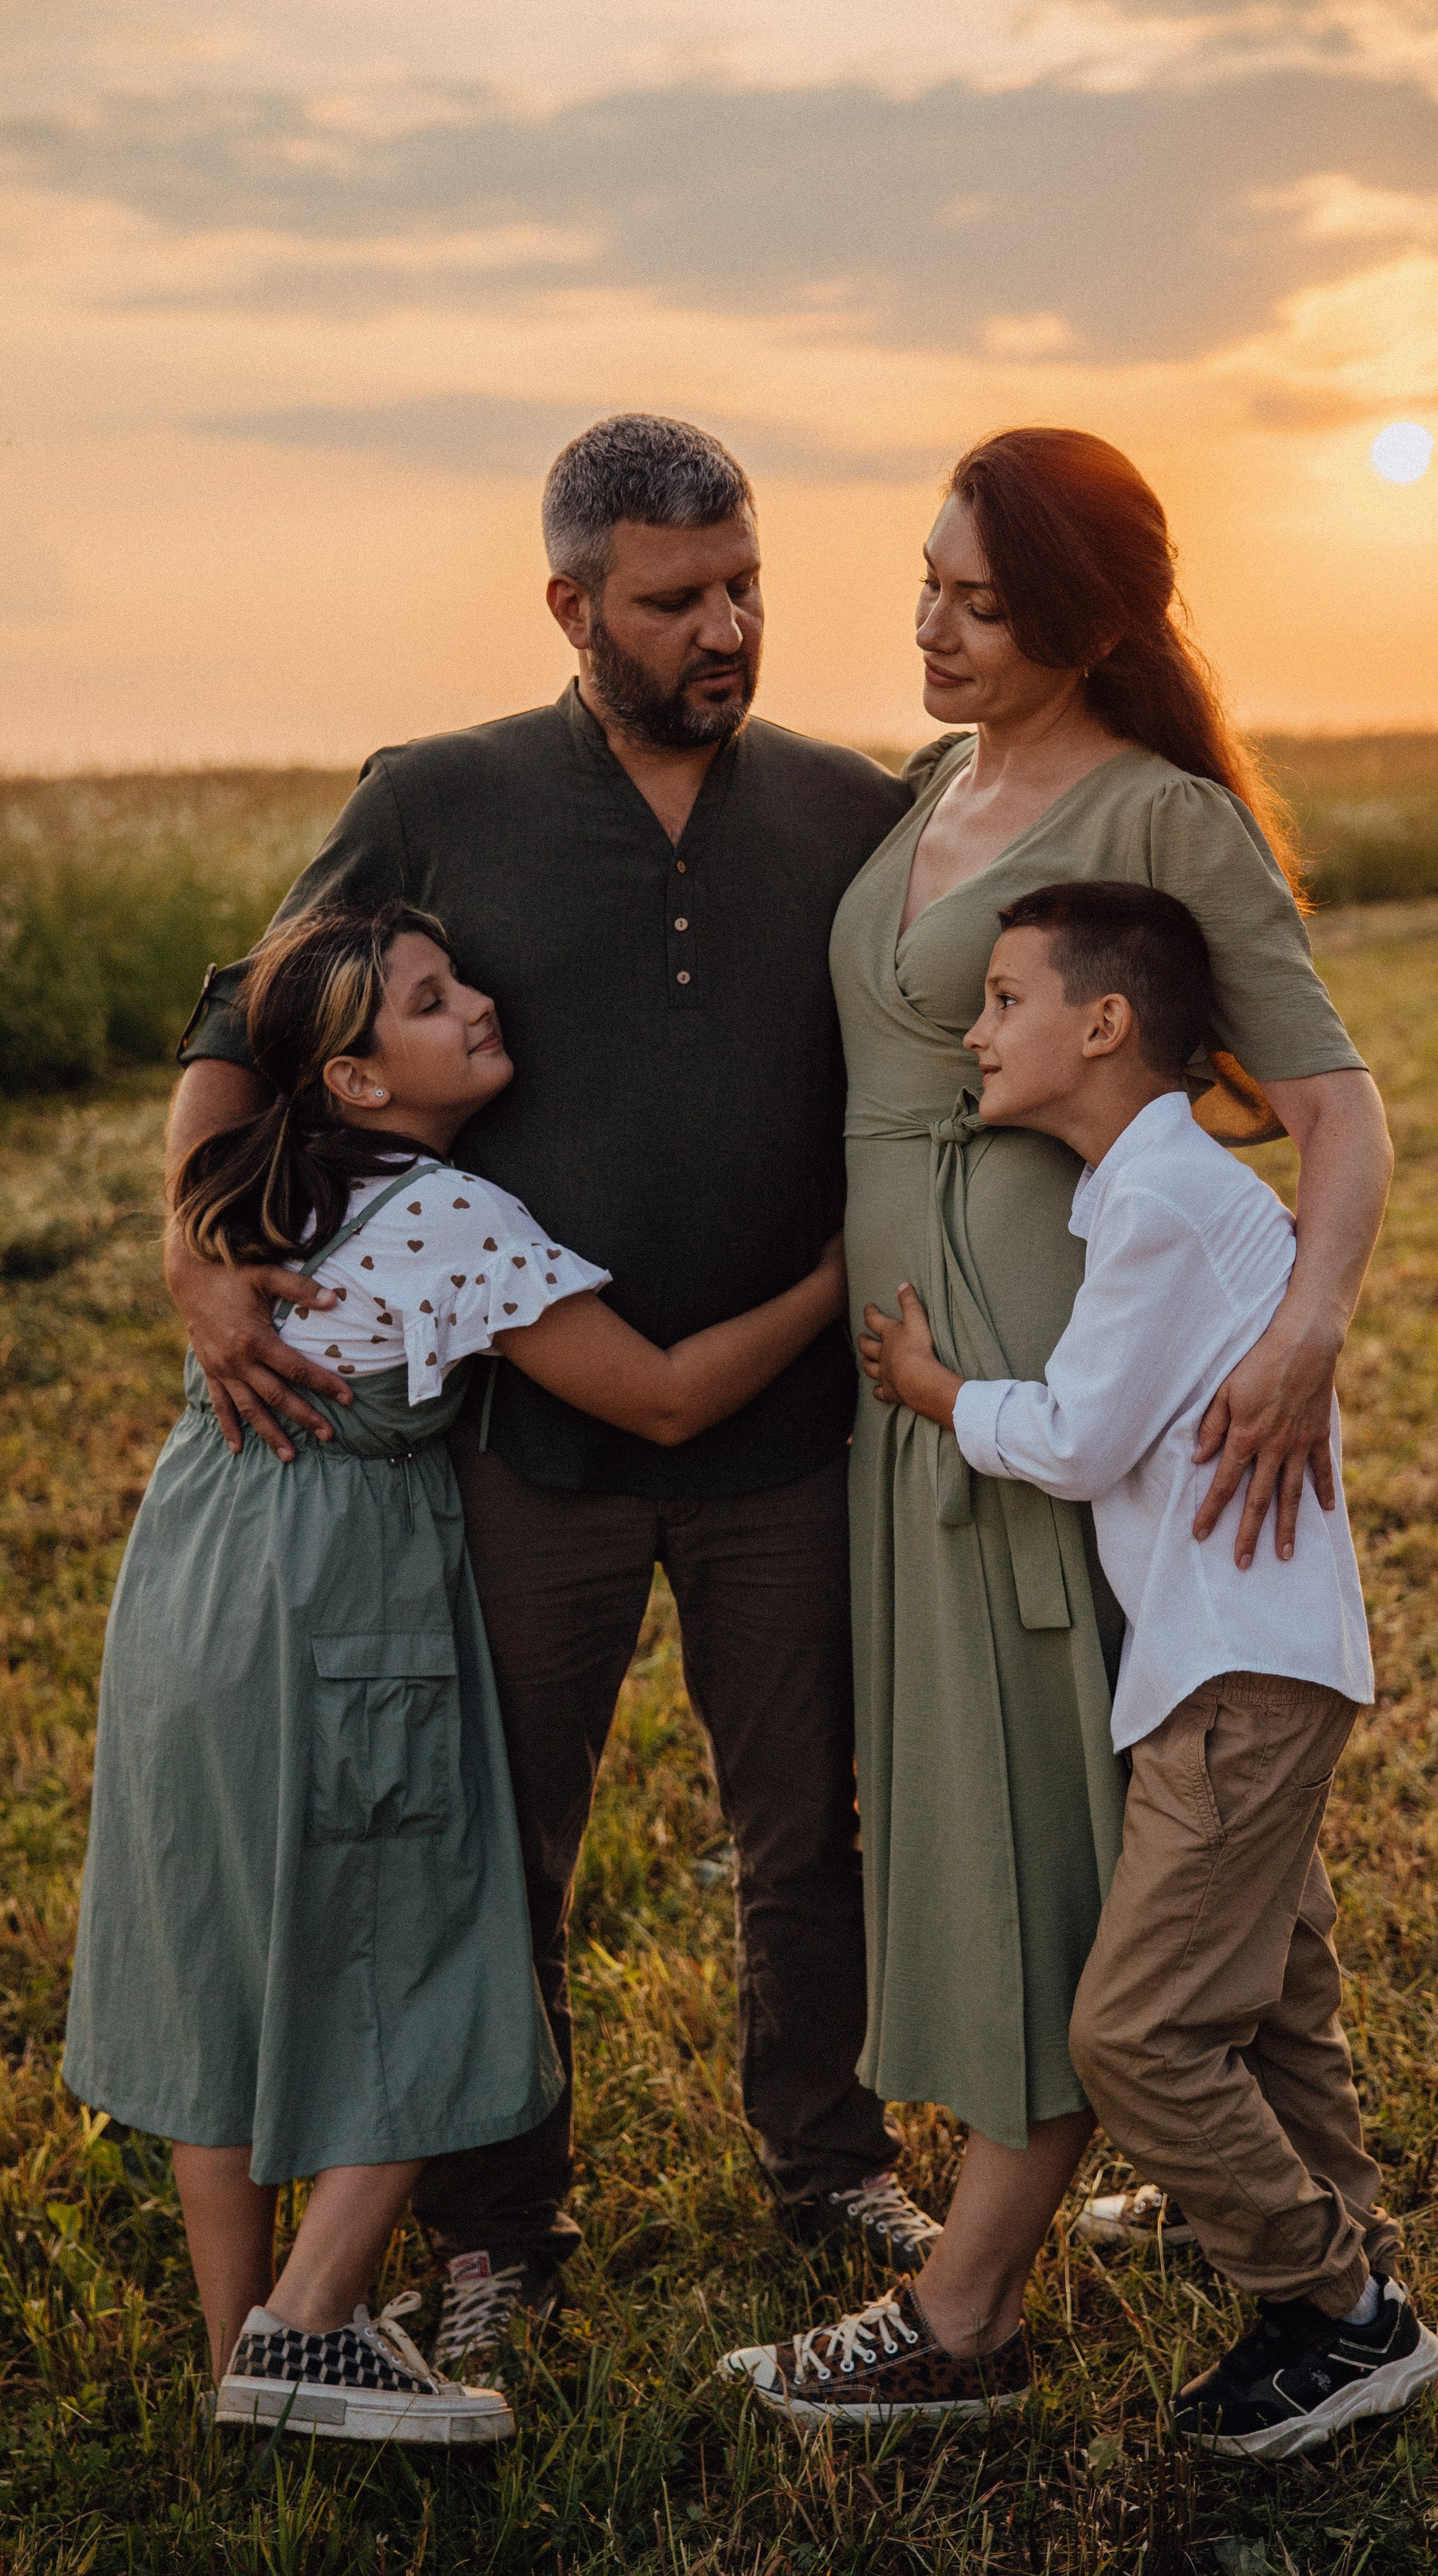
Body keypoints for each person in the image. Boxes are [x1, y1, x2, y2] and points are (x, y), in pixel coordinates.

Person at [165, 416, 940, 2379]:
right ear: (571, 604)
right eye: (677, 597)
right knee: (503, 1841)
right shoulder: (439, 797)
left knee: (805, 1826)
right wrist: (195, 1249)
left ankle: (828, 2153)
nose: (726, 625)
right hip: (533, 1448)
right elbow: (243, 1011)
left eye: (745, 582)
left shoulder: (846, 811)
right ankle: (500, 2220)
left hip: (783, 1439)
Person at [716, 424, 1395, 2426]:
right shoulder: (931, 786)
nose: (927, 623)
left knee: (1058, 1805)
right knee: (1142, 1817)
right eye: (923, 580)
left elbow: (1336, 1103)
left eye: (978, 600)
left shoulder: (1161, 817)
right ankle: (1306, 2215)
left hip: (1041, 1382)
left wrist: (1313, 1330)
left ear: (1087, 622)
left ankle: (963, 2311)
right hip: (925, 1397)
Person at [64, 900, 853, 2442]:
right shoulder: (449, 1220)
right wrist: (835, 1281)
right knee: (433, 1948)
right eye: (431, 1002)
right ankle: (309, 2325)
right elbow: (672, 1400)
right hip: (337, 1607)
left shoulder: (251, 1187)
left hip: (192, 1587)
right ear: (356, 1079)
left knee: (224, 1942)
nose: (481, 1003)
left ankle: (244, 2355)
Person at [837, 883, 1438, 2460]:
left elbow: (1080, 1435)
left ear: (1100, 1026)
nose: (972, 1031)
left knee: (1135, 2034)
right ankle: (1342, 2249)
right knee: (1280, 1994)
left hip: (1234, 1669)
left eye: (1000, 999)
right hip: (1241, 1655)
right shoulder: (1153, 1189)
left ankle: (1335, 2311)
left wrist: (932, 1390)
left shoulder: (1164, 1199)